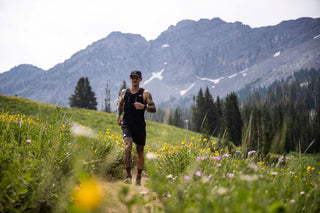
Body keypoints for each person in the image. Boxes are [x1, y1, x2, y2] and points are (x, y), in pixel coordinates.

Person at [117, 70, 156, 185]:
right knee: (128, 147)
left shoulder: (145, 93)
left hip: (139, 126)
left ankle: (138, 177)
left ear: (140, 80)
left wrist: (143, 106)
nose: (134, 79)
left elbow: (153, 108)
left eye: (136, 77)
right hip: (127, 125)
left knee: (139, 151)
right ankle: (128, 175)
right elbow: (120, 104)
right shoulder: (124, 92)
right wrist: (118, 116)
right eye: (132, 77)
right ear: (130, 79)